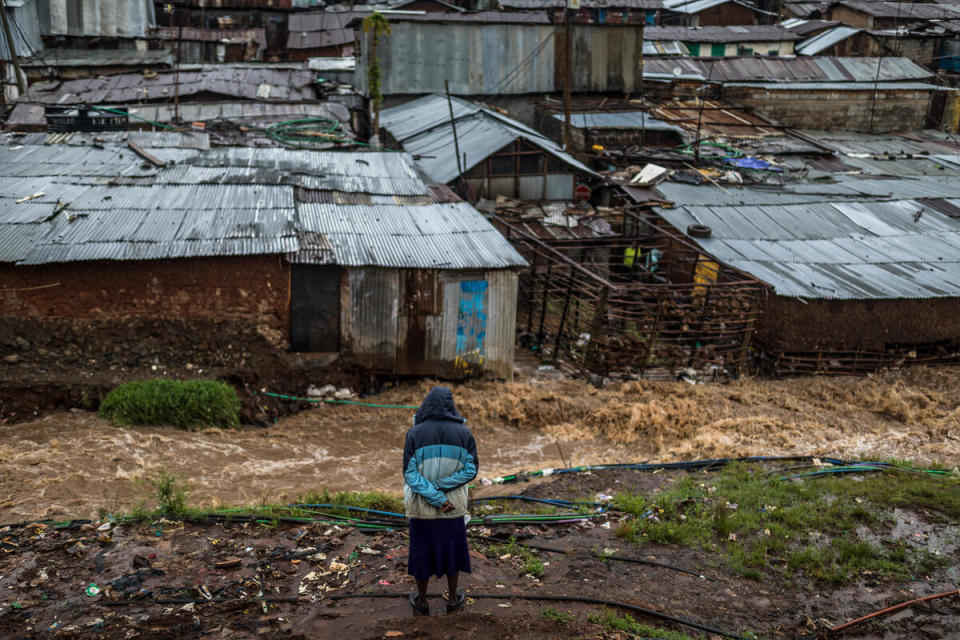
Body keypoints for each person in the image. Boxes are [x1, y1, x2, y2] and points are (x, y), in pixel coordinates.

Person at [402, 386, 478, 616]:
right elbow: (471, 470)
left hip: (421, 508)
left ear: (427, 405)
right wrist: (442, 489)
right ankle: (453, 599)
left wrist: (433, 493)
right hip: (453, 507)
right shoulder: (465, 434)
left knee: (421, 552)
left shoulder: (414, 433)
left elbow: (410, 474)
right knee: (452, 552)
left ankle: (422, 601)